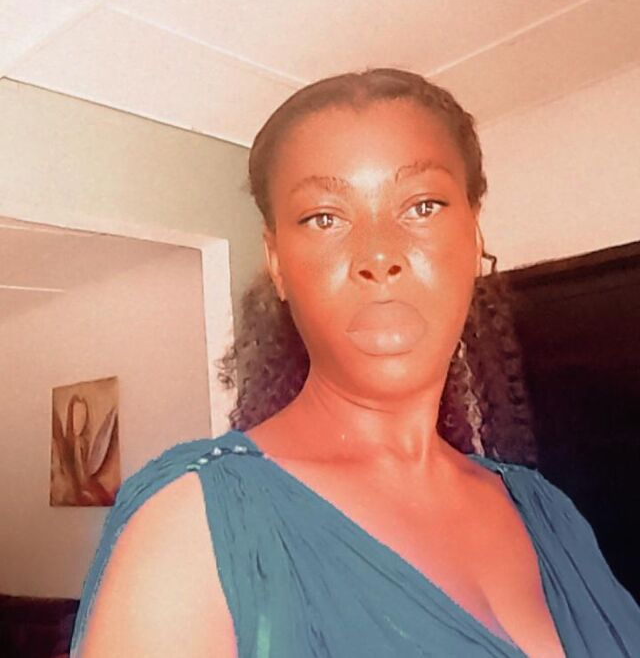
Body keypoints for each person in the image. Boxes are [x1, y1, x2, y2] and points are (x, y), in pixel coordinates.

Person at [70, 69, 639, 657]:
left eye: (422, 206)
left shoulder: (546, 511)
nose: (379, 255)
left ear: (474, 236)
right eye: (324, 218)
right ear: (277, 263)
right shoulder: (191, 526)